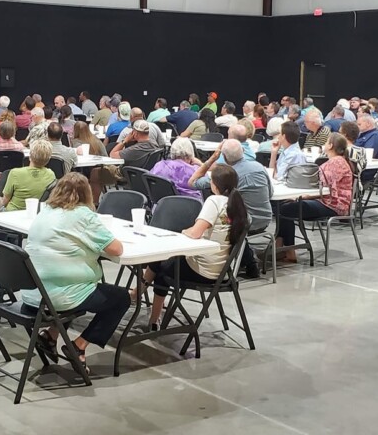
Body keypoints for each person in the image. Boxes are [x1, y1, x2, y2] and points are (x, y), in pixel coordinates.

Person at [24, 173, 129, 367]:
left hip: (33, 292)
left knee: (73, 281)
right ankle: (80, 345)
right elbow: (117, 249)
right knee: (121, 298)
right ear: (87, 193)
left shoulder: (45, 210)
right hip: (58, 296)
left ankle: (50, 335)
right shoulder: (84, 215)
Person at [141, 163, 249, 329]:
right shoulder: (238, 206)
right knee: (164, 261)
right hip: (222, 270)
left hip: (203, 270)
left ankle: (153, 321)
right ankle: (138, 294)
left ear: (213, 184)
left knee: (161, 266)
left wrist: (185, 231)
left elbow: (195, 233)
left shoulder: (214, 201)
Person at [190, 139, 271, 278]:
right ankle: (249, 263)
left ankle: (247, 262)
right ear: (243, 151)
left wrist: (212, 159)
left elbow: (192, 182)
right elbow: (271, 193)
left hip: (242, 222)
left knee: (221, 222)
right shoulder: (259, 167)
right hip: (265, 218)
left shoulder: (226, 176)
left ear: (224, 156)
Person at [275, 133, 354, 263]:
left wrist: (307, 197)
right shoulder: (337, 161)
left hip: (333, 205)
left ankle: (288, 250)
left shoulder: (336, 163)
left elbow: (329, 190)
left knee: (286, 209)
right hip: (328, 201)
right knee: (285, 206)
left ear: (330, 145)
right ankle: (281, 246)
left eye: (326, 141)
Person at [2, 140, 55, 211]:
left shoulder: (15, 173)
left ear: (30, 156)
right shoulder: (51, 174)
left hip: (12, 213)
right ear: (48, 160)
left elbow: (5, 199)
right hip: (35, 213)